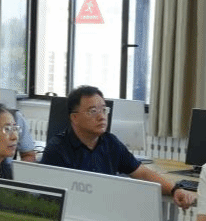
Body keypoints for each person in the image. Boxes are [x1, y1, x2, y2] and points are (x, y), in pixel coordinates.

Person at [41, 85, 195, 211]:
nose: (101, 116)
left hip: (107, 213)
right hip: (74, 217)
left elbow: (142, 173)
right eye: (93, 111)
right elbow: (49, 198)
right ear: (74, 117)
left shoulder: (110, 143)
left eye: (104, 110)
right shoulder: (57, 150)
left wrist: (175, 189)